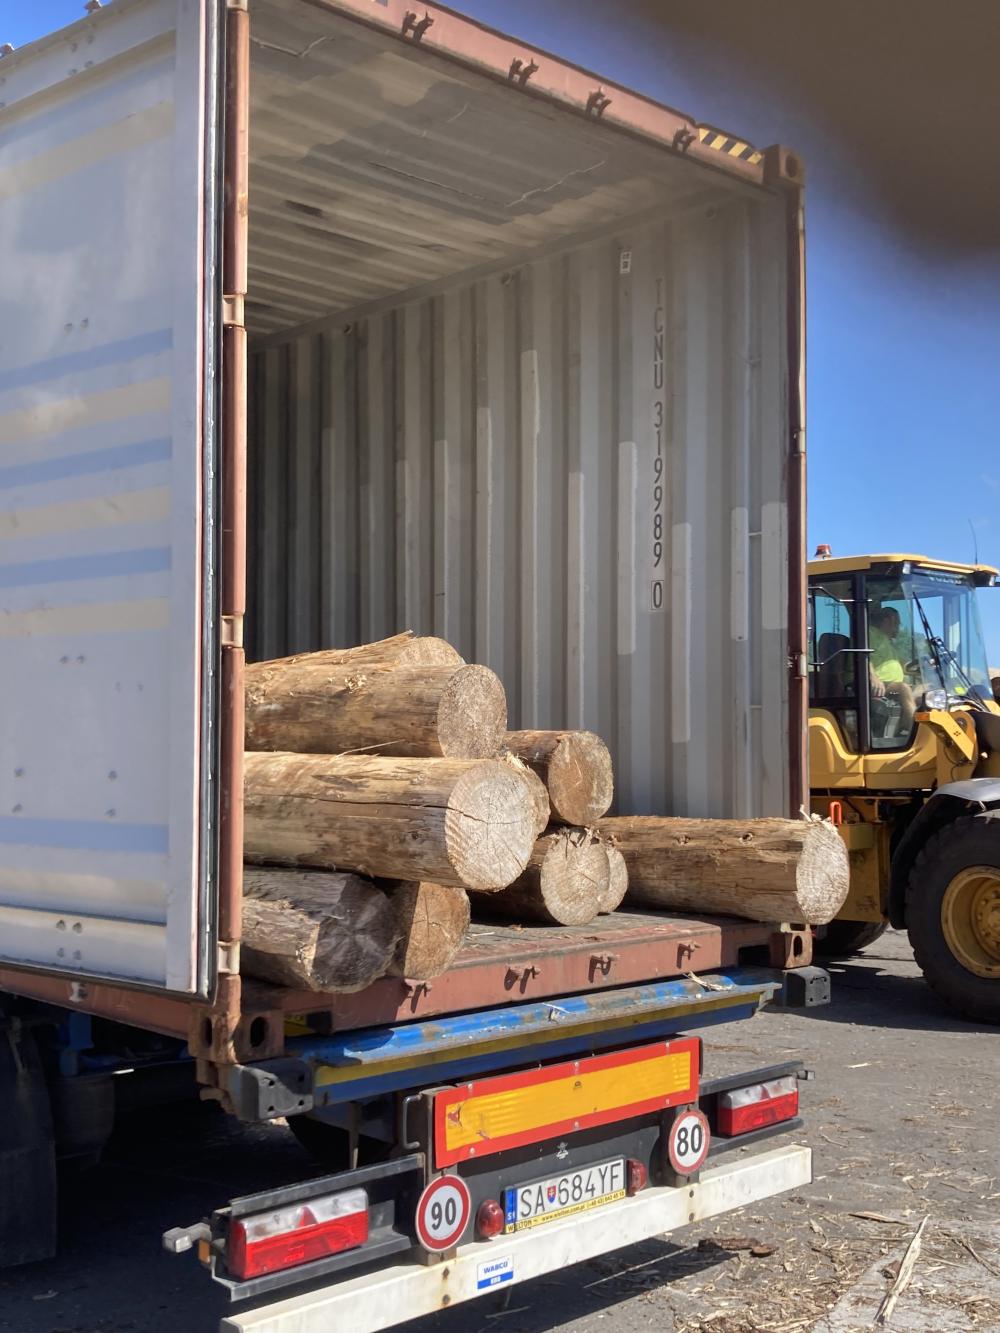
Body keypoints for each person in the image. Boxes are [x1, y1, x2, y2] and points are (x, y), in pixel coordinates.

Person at [868, 606, 918, 735]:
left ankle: (907, 724)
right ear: (887, 621)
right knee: (903, 688)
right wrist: (873, 677)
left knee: (926, 691)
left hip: (891, 685)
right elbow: (864, 657)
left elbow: (901, 664)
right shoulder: (869, 634)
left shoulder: (888, 642)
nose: (899, 628)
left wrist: (921, 667)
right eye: (897, 624)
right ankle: (913, 730)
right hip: (875, 684)